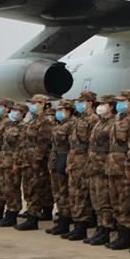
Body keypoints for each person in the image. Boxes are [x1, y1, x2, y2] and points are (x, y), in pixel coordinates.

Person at [105, 89, 130, 250]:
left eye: (122, 100)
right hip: (112, 166)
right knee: (115, 201)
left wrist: (129, 166)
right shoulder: (116, 120)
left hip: (123, 167)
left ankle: (125, 236)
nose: (119, 103)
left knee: (125, 202)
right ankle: (119, 234)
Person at [64, 91, 99, 242]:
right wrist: (69, 162)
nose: (78, 103)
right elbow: (72, 144)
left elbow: (92, 144)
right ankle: (77, 225)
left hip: (83, 160)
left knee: (82, 194)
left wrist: (88, 163)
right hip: (74, 160)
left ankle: (82, 227)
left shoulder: (94, 119)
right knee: (74, 193)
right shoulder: (79, 119)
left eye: (82, 101)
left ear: (90, 102)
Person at [15, 94, 54, 230]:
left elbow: (43, 143)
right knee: (28, 189)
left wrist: (37, 160)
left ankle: (33, 219)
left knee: (35, 189)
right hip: (27, 160)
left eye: (34, 103)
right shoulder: (32, 120)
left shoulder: (45, 121)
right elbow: (25, 142)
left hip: (35, 162)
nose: (32, 105)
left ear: (42, 104)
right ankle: (30, 214)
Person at [84, 95, 116, 245]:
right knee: (96, 200)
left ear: (111, 106)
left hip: (104, 166)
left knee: (104, 201)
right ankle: (100, 227)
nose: (101, 106)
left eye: (104, 104)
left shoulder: (114, 123)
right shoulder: (99, 123)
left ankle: (106, 230)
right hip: (93, 166)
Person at [46, 101, 76, 235]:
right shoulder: (60, 124)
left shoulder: (72, 124)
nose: (57, 112)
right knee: (57, 192)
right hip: (56, 157)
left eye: (61, 109)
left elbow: (72, 145)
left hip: (64, 157)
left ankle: (65, 222)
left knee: (64, 193)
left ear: (68, 110)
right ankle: (61, 219)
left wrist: (67, 162)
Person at [0, 103, 28, 227]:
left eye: (17, 110)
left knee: (12, 188)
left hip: (13, 162)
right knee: (5, 188)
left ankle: (13, 214)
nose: (14, 112)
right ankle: (8, 212)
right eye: (13, 110)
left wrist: (17, 163)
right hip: (4, 161)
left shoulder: (24, 127)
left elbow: (21, 147)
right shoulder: (10, 125)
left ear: (23, 114)